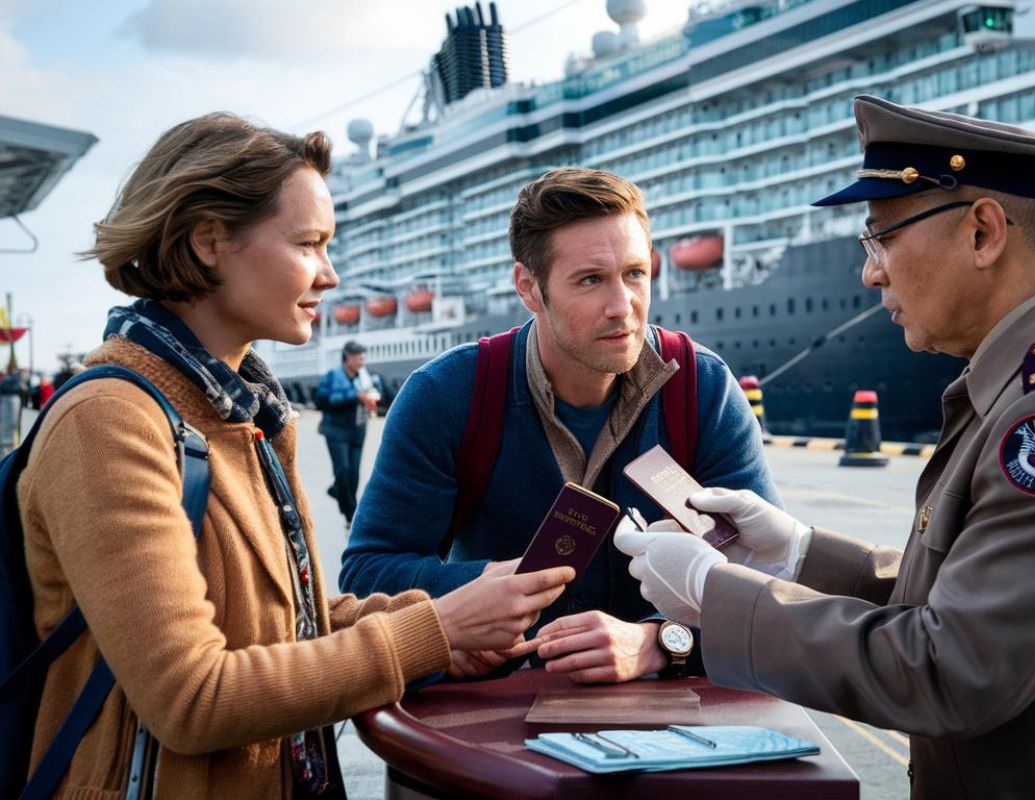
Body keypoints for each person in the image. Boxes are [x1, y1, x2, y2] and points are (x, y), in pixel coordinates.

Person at [616, 95, 1035, 799]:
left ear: (983, 233)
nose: (871, 273)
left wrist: (715, 593)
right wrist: (800, 554)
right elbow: (980, 599)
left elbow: (954, 670)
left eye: (882, 238)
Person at [19, 112, 574, 799]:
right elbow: (192, 698)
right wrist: (433, 630)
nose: (332, 275)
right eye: (310, 243)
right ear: (210, 240)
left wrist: (445, 632)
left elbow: (285, 627)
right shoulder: (107, 422)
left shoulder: (243, 411)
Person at [340, 167, 781, 684]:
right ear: (528, 287)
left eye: (636, 274)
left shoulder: (701, 388)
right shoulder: (447, 395)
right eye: (591, 280)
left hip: (669, 731)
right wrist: (476, 589)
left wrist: (661, 641)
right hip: (491, 720)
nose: (624, 308)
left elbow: (766, 587)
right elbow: (367, 573)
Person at [314, 339, 378, 526]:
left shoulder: (365, 377)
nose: (362, 361)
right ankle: (352, 514)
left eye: (363, 357)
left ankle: (338, 493)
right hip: (336, 430)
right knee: (343, 471)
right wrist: (354, 396)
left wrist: (375, 395)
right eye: (358, 357)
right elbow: (321, 402)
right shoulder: (332, 377)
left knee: (354, 473)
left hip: (358, 429)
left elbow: (379, 391)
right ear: (347, 358)